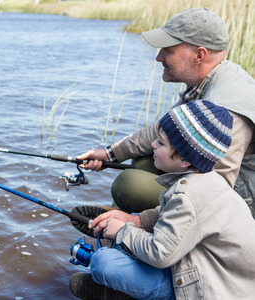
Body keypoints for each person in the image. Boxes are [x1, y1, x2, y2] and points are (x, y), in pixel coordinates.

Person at [74, 8, 255, 224]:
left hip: (238, 199)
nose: (158, 57)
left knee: (129, 185)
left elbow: (213, 195)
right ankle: (112, 222)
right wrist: (109, 154)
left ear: (199, 55)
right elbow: (163, 129)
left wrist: (141, 221)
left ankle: (121, 226)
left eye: (168, 50)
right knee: (145, 157)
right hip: (207, 181)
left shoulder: (225, 108)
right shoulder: (210, 78)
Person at [69, 100, 255, 300]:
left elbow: (160, 253)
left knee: (103, 262)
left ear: (185, 159)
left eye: (161, 142)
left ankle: (134, 293)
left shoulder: (188, 195)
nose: (152, 145)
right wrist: (133, 220)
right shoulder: (208, 182)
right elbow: (176, 218)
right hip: (216, 271)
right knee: (126, 243)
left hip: (213, 290)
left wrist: (123, 231)